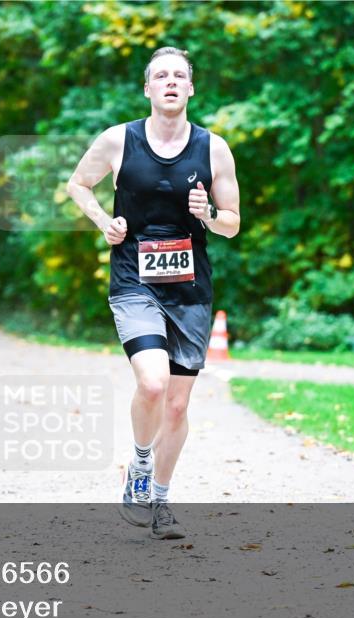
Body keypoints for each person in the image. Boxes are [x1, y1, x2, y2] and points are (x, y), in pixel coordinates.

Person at [66, 46, 241, 539]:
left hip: (190, 288)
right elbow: (79, 185)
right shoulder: (119, 140)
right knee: (152, 385)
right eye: (160, 75)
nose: (169, 82)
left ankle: (160, 501)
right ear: (147, 88)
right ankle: (139, 468)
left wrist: (208, 214)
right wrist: (105, 221)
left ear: (190, 88)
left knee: (179, 406)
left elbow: (232, 223)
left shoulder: (214, 149)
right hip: (134, 281)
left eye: (178, 75)